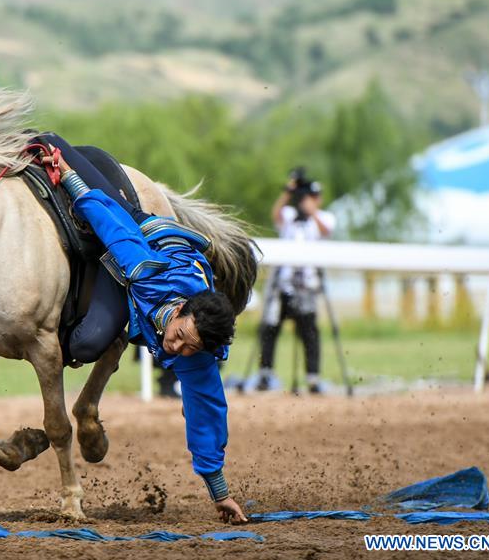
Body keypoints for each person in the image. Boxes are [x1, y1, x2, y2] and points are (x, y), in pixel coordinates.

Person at [51, 142, 252, 524]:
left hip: (172, 266)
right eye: (179, 337)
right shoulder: (147, 272)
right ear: (178, 310)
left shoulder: (196, 354)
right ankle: (56, 143)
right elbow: (112, 224)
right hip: (142, 233)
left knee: (88, 344)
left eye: (188, 348)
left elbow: (206, 413)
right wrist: (67, 175)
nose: (175, 348)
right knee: (95, 194)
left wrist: (219, 493)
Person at [257, 168, 335, 394]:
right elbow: (276, 215)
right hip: (283, 284)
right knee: (270, 329)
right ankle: (265, 374)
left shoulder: (324, 217)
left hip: (307, 285)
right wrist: (288, 192)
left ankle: (312, 377)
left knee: (309, 332)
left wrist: (312, 212)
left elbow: (326, 230)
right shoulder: (290, 215)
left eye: (312, 197)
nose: (307, 201)